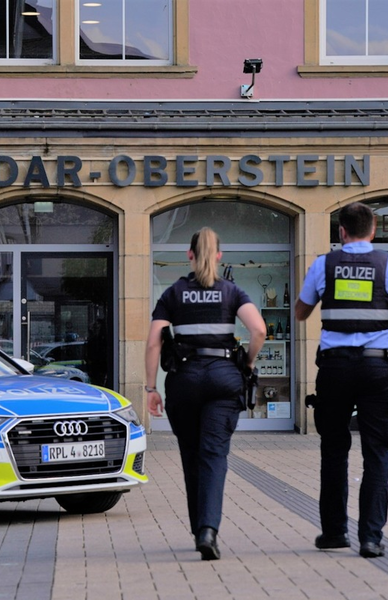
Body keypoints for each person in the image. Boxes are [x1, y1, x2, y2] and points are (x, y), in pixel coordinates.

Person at [295, 202, 388, 559]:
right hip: (378, 369)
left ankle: (334, 533)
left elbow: (301, 311)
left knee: (334, 450)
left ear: (341, 232)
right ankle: (370, 538)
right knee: (377, 452)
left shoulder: (324, 264)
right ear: (373, 231)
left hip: (335, 369)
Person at [145, 226, 266, 561]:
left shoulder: (174, 292)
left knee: (191, 455)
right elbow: (258, 329)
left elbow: (155, 339)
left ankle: (199, 527)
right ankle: (208, 530)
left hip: (184, 381)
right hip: (224, 381)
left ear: (189, 255)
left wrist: (150, 387)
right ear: (218, 256)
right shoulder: (231, 291)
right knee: (213, 455)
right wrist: (249, 363)